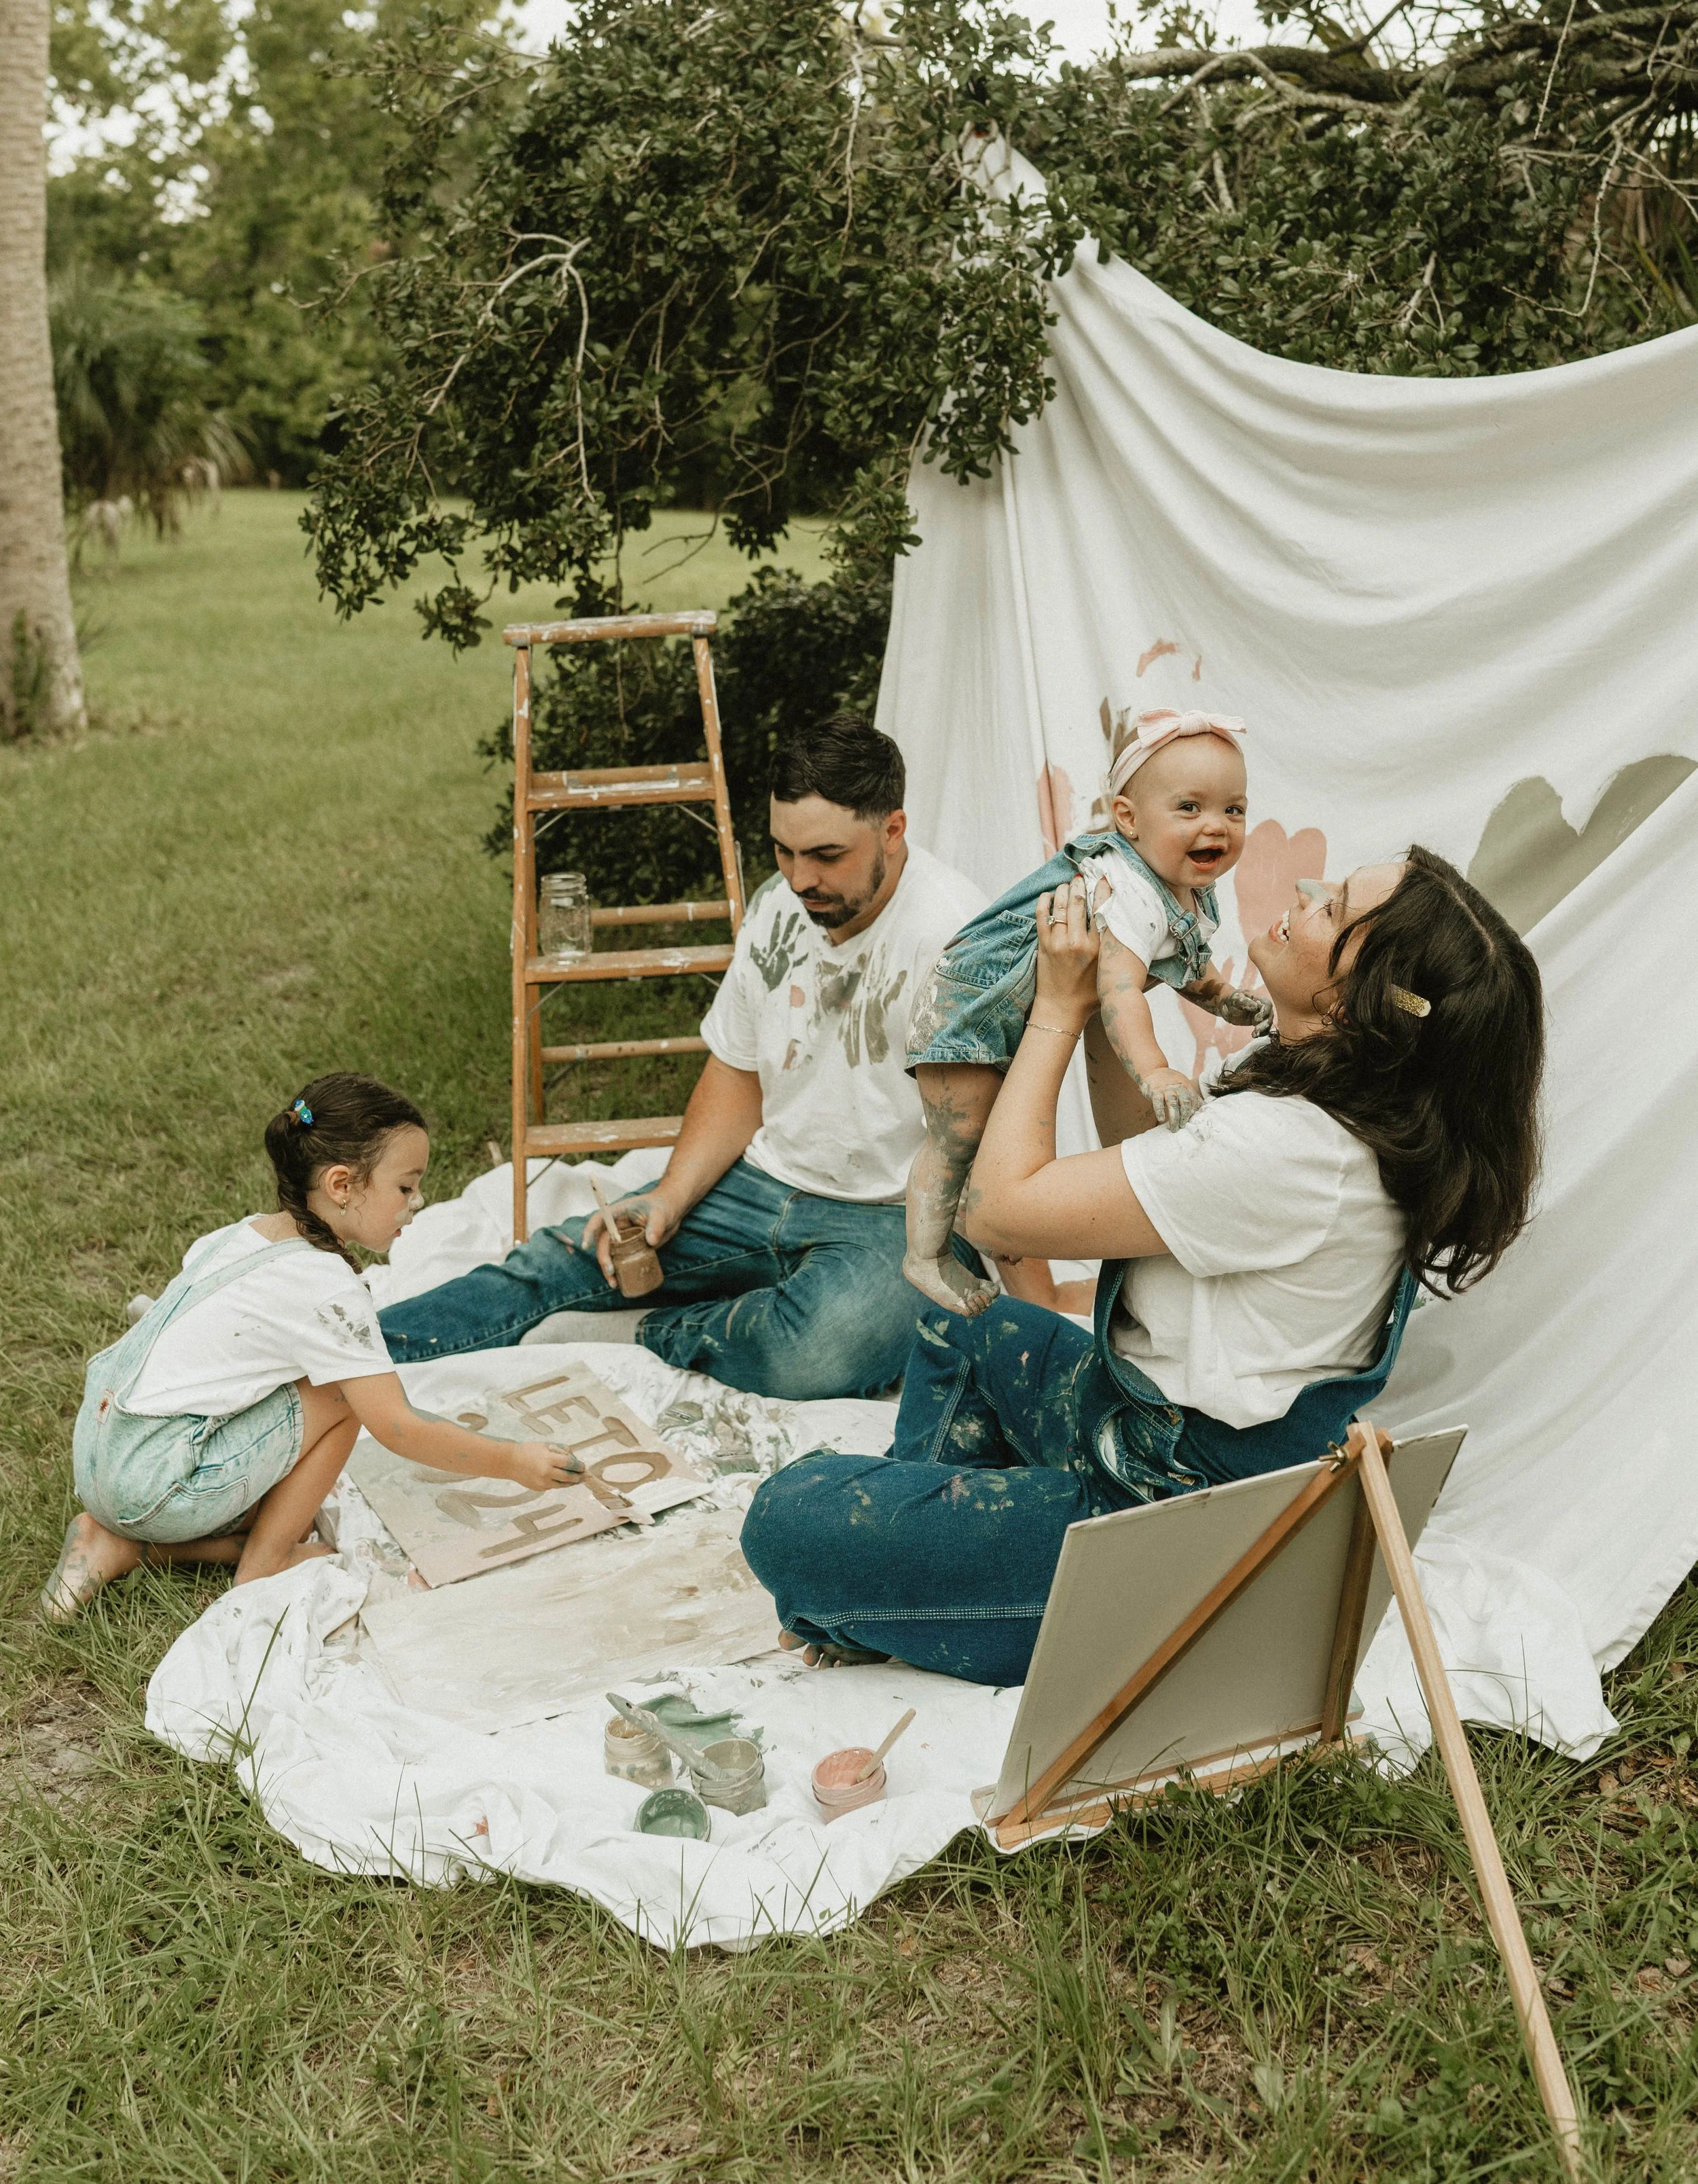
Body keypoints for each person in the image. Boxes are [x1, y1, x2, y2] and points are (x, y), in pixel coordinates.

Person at [742, 848, 1545, 1686]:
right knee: (964, 1322)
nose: (1306, 889)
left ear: (1351, 998)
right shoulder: (1339, 1110)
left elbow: (992, 1210)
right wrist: (1101, 1005)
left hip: (1169, 1530)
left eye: (1333, 907)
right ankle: (932, 1581)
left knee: (786, 1516)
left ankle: (923, 1586)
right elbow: (1149, 1171)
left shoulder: (1289, 1150)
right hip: (1129, 1431)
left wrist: (1053, 1009)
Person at [376, 715, 988, 1401]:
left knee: (823, 1348)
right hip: (761, 1184)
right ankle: (342, 1358)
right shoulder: (778, 907)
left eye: (824, 854)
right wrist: (670, 1196)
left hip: (889, 1214)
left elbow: (972, 1139)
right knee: (569, 1255)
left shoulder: (956, 939)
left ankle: (646, 1334)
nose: (799, 877)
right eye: (783, 851)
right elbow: (736, 1071)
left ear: (893, 830)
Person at [41, 1074, 590, 1620]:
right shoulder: (326, 1288)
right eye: (405, 1187)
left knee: (292, 1451)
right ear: (342, 1185)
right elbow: (397, 1425)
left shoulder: (243, 1234)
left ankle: (124, 1543)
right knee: (344, 1394)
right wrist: (513, 1459)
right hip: (152, 1483)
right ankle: (265, 1560)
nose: (418, 1201)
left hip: (102, 1446)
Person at [903, 709, 1271, 1318]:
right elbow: (1121, 992)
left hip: (1012, 1009)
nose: (1217, 826)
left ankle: (975, 1217)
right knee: (959, 1132)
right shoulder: (1125, 889)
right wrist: (1154, 1072)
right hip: (967, 1003)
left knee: (989, 1135)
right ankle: (925, 1253)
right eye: (1190, 808)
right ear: (1126, 818)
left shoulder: (1180, 883)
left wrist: (1230, 999)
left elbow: (1187, 964)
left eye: (1233, 810)